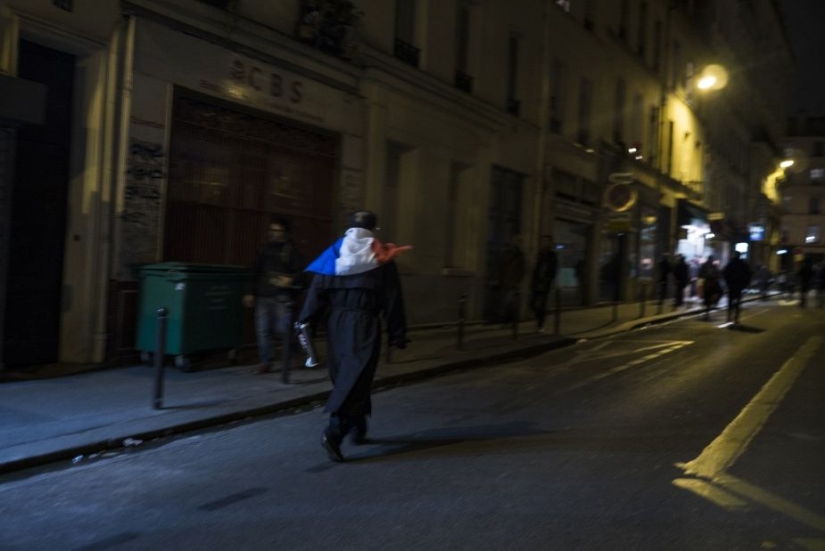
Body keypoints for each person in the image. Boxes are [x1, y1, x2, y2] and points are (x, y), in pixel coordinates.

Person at [298, 210, 410, 462]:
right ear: (374, 229)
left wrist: (307, 322)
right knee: (356, 378)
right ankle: (334, 432)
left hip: (336, 324)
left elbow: (317, 291)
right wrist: (397, 332)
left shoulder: (335, 253)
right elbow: (393, 298)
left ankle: (358, 427)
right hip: (365, 324)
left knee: (348, 377)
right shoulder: (381, 258)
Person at [243, 216, 304, 374]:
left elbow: (300, 273)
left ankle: (294, 353)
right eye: (273, 230)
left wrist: (289, 279)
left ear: (285, 233)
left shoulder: (291, 250)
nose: (275, 234)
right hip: (264, 295)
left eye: (278, 231)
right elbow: (254, 272)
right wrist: (250, 292)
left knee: (283, 329)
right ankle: (266, 361)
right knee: (263, 330)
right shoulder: (264, 249)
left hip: (282, 296)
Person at [530, 235, 558, 333]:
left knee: (542, 304)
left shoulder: (552, 255)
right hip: (536, 282)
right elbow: (534, 268)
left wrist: (548, 279)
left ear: (550, 243)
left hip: (545, 284)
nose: (544, 243)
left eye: (547, 241)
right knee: (533, 304)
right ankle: (539, 319)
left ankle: (540, 325)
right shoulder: (539, 254)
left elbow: (553, 270)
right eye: (543, 241)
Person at [497, 234, 526, 327]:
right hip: (505, 282)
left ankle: (509, 322)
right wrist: (500, 279)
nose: (516, 243)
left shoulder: (520, 255)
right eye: (515, 241)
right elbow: (501, 267)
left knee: (509, 303)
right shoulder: (507, 252)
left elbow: (522, 270)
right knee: (506, 303)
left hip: (513, 283)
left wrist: (517, 281)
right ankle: (508, 321)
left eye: (518, 241)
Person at [722, 251, 752, 325]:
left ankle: (729, 317)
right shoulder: (743, 264)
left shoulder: (730, 264)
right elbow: (748, 275)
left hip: (731, 286)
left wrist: (727, 283)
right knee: (738, 303)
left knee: (730, 302)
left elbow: (724, 273)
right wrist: (744, 285)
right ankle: (736, 318)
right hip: (739, 286)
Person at [699, 255, 722, 320]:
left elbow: (700, 274)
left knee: (707, 297)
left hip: (706, 284)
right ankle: (709, 309)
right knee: (718, 292)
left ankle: (706, 312)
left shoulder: (704, 266)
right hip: (711, 284)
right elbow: (717, 275)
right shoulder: (713, 266)